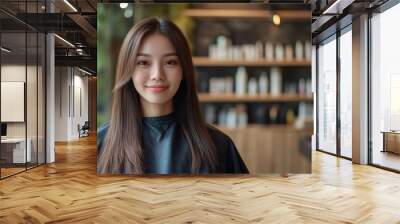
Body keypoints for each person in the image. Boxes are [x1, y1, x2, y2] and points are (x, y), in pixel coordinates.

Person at [97, 17, 248, 175]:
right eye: (143, 62)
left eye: (170, 62)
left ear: (183, 70)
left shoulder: (220, 146)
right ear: (128, 70)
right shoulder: (100, 144)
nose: (157, 75)